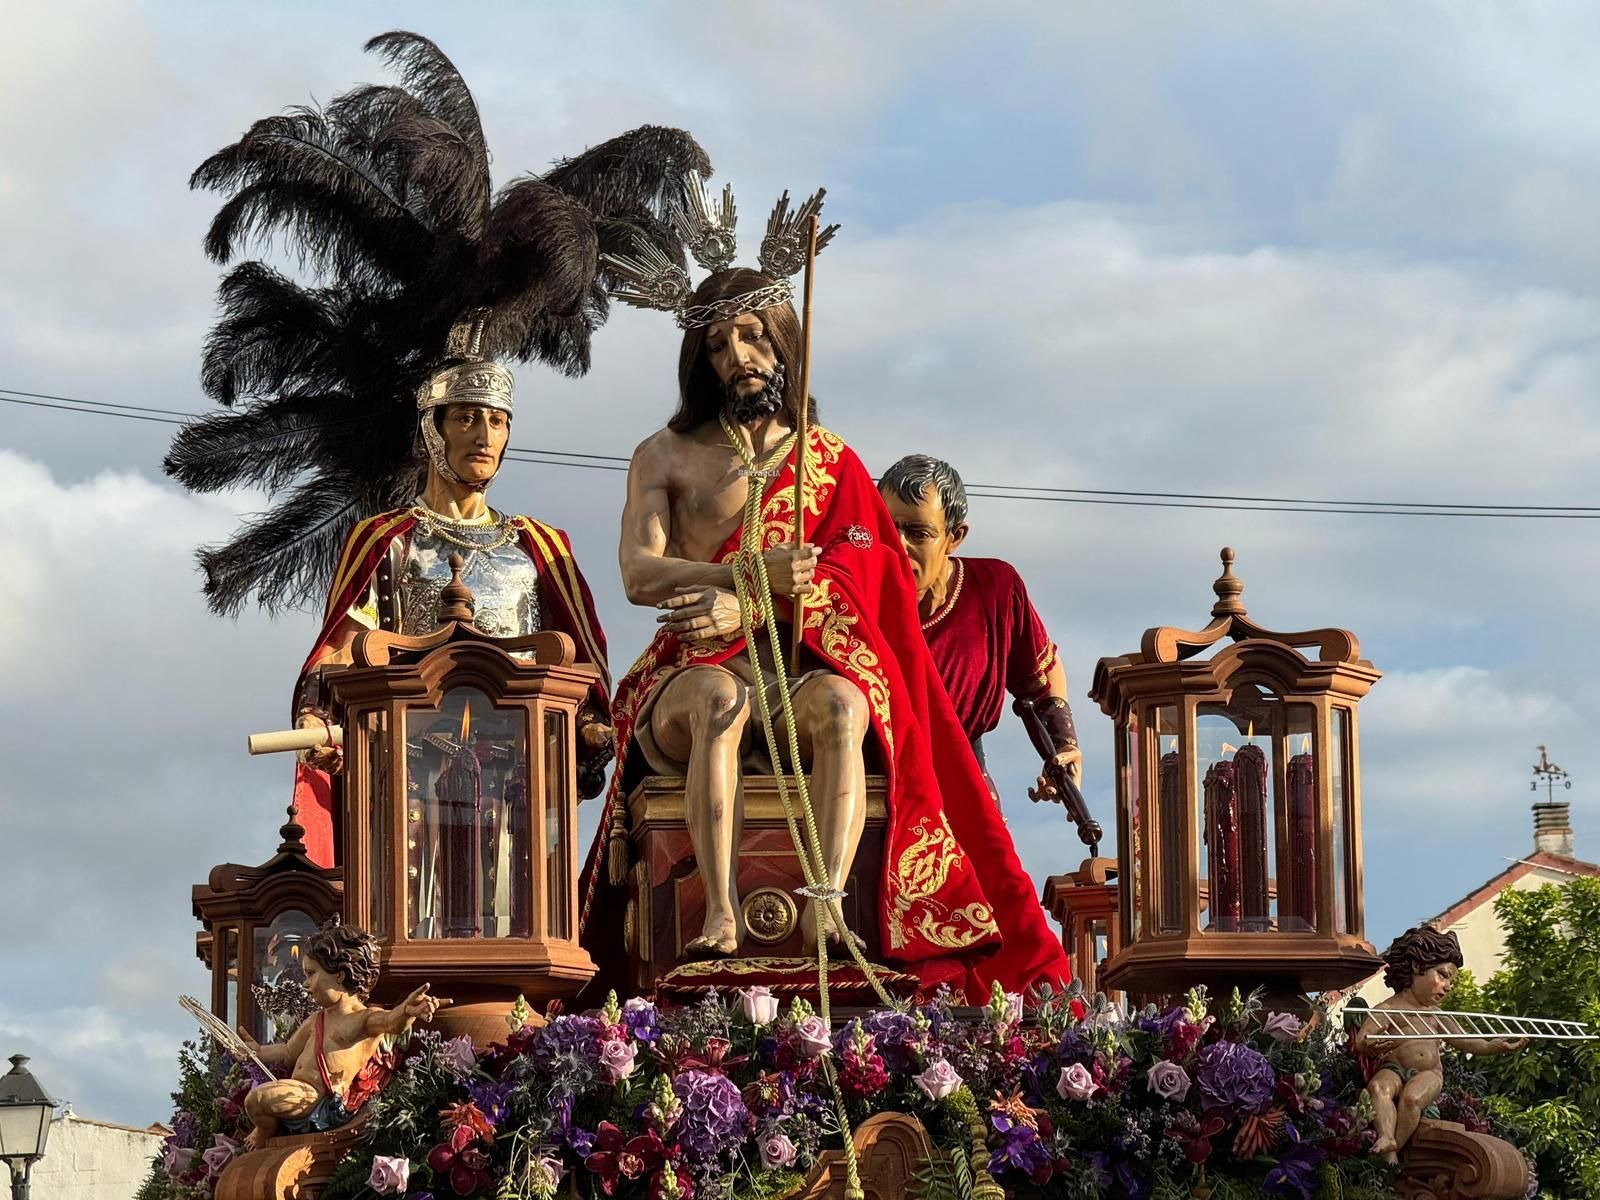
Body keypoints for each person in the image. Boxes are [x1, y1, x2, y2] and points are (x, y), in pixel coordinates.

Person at [168, 32, 712, 867]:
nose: (484, 436)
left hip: (514, 787)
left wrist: (595, 722)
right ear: (434, 430)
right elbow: (339, 653)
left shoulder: (541, 549)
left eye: (495, 423)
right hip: (409, 781)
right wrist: (324, 708)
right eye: (466, 420)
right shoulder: (387, 542)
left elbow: (586, 665)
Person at [587, 182, 1071, 999]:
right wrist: (741, 578)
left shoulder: (829, 459)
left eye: (751, 337)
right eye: (718, 344)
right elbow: (639, 573)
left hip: (796, 662)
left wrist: (768, 601)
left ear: (781, 343)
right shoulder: (663, 455)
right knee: (718, 705)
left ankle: (826, 909)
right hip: (695, 668)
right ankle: (718, 914)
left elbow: (868, 574)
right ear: (699, 361)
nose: (738, 356)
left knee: (845, 708)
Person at [878, 454, 1081, 812]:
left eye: (918, 533)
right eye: (887, 528)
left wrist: (1064, 745)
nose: (899, 544)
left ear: (955, 537)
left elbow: (1043, 673)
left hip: (964, 792)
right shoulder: (854, 596)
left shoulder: (996, 590)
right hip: (872, 792)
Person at [238, 923, 450, 1149]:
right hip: (297, 1089)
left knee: (256, 1100)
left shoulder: (363, 1018)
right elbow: (289, 1051)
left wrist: (407, 1012)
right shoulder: (316, 1019)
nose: (306, 983)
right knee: (257, 1099)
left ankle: (265, 1131)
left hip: (318, 1098)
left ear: (339, 974)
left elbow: (391, 1023)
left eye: (311, 974)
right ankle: (268, 1130)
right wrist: (257, 1051)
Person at [1352, 926, 1526, 1161]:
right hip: (1393, 1069)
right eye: (1443, 975)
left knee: (1412, 1098)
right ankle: (1386, 1136)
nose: (1448, 986)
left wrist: (1494, 1045)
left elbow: (1467, 1042)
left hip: (1428, 1073)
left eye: (1451, 981)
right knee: (1378, 1088)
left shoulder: (1437, 1015)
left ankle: (1395, 1150)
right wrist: (1370, 1046)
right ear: (1417, 967)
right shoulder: (1388, 1009)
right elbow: (1363, 1040)